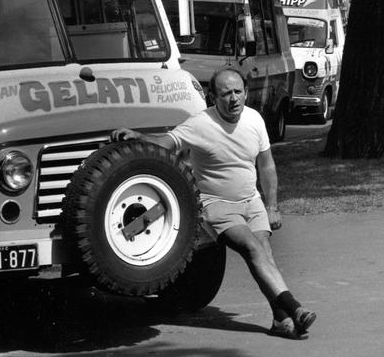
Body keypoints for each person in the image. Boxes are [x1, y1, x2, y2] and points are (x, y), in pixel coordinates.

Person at [111, 66, 316, 339]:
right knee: (252, 247)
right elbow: (168, 142)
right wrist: (140, 137)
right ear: (213, 97)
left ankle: (280, 320)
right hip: (216, 203)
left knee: (265, 253)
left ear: (245, 92)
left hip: (251, 201)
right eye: (225, 94)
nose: (233, 99)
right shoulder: (200, 124)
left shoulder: (255, 120)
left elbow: (266, 166)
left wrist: (272, 205)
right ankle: (295, 307)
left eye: (238, 92)